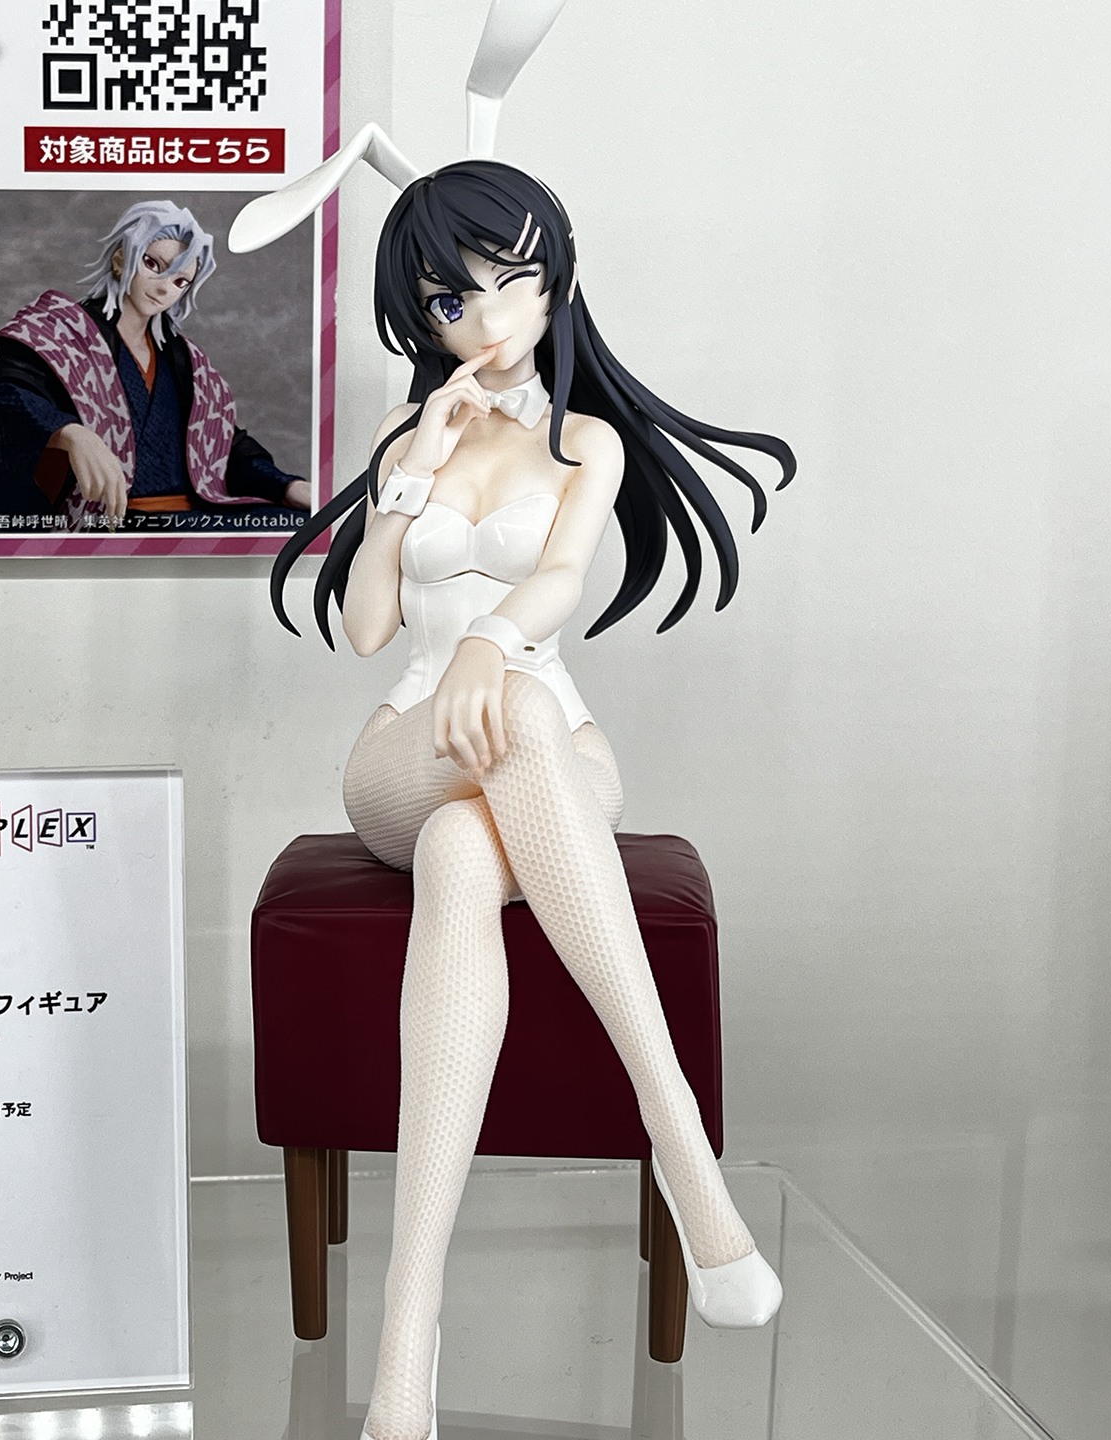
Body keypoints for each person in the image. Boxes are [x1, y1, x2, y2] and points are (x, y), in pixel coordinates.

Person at [269, 161, 796, 1440]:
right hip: (406, 754)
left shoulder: (586, 441)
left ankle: (407, 1341)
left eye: (512, 282)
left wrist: (493, 642)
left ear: (557, 275)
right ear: (423, 320)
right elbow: (366, 631)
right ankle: (684, 1146)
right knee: (480, 765)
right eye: (451, 302)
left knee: (470, 848)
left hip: (550, 739)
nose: (489, 319)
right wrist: (408, 479)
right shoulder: (410, 439)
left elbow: (560, 579)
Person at [0, 200, 310, 531]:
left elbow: (223, 445)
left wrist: (286, 485)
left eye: (180, 281)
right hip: (111, 520)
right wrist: (69, 434)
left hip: (194, 515)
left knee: (298, 523)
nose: (163, 288)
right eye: (153, 265)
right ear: (121, 259)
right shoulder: (62, 331)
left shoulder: (184, 358)